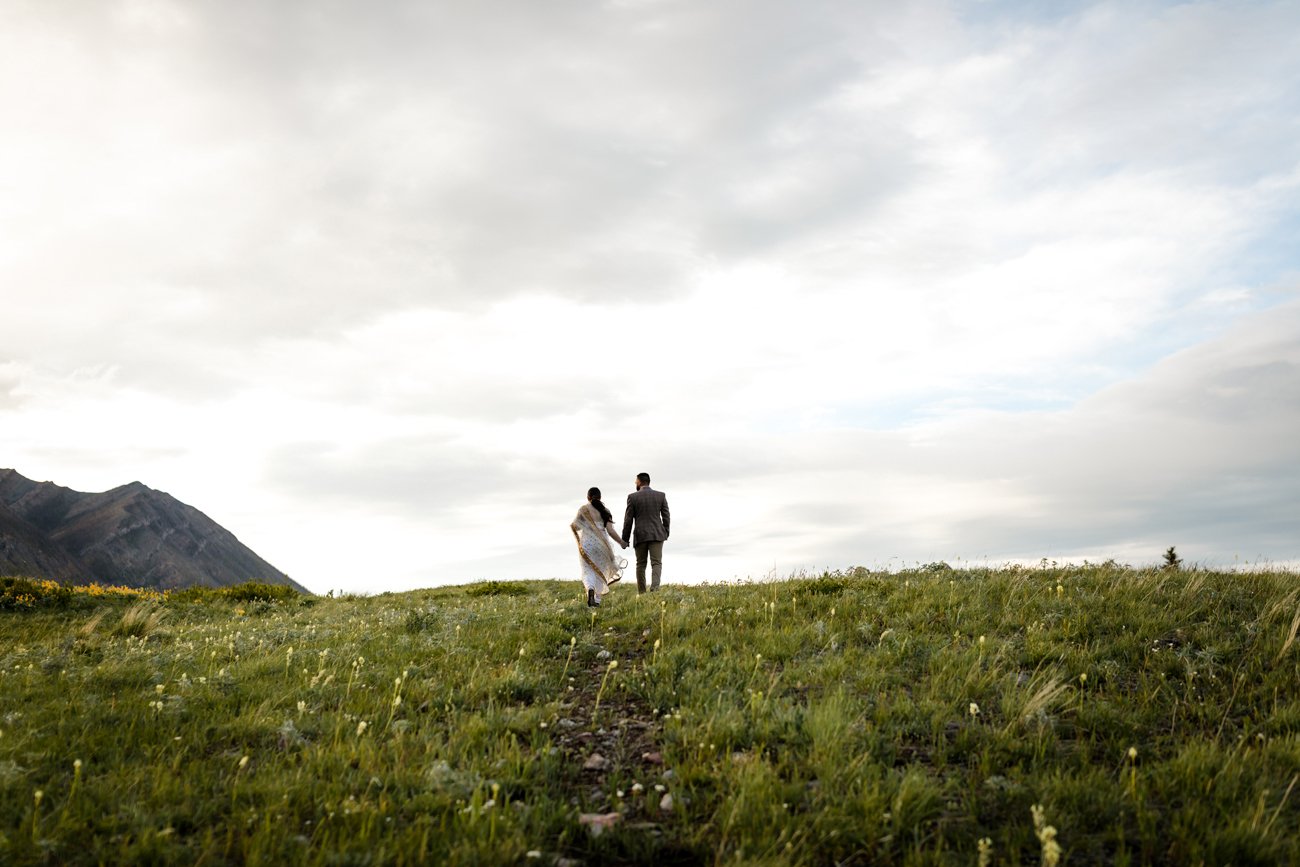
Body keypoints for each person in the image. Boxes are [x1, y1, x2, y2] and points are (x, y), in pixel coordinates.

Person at [571, 487, 627, 607]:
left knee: (588, 570)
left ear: (588, 497)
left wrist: (586, 526)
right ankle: (596, 601)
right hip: (602, 545)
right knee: (600, 570)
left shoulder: (583, 510)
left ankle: (590, 589)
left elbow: (575, 526)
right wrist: (621, 542)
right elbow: (611, 531)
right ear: (600, 497)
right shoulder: (605, 511)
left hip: (587, 545)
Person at [621, 472, 670, 593]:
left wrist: (625, 539)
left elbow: (628, 520)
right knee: (656, 563)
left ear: (639, 482)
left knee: (641, 565)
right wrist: (665, 532)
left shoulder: (632, 497)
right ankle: (654, 589)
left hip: (640, 535)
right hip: (657, 534)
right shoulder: (661, 496)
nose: (635, 483)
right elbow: (666, 516)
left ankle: (642, 593)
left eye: (635, 481)